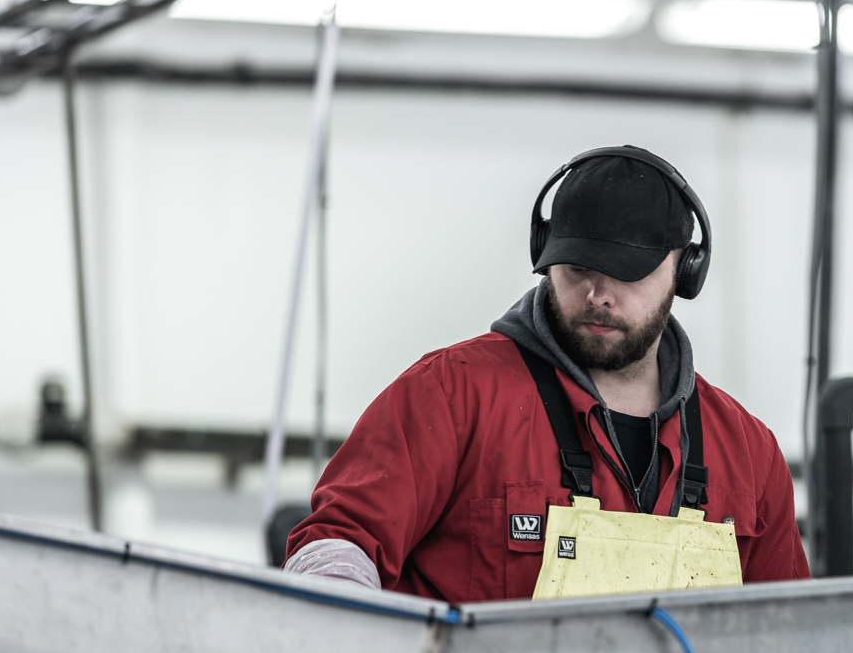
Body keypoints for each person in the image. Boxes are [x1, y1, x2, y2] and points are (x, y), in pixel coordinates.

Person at [283, 145, 809, 600]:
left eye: (628, 272)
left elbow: (791, 641)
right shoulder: (449, 395)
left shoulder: (749, 454)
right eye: (578, 267)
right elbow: (338, 541)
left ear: (685, 270)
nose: (597, 294)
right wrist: (342, 608)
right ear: (545, 253)